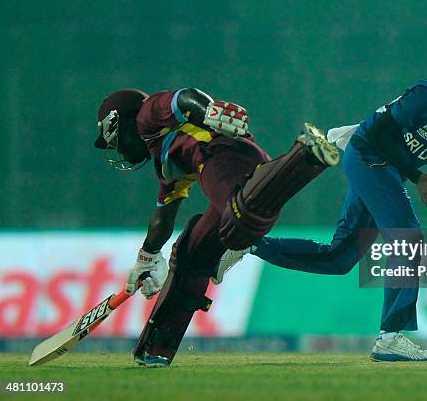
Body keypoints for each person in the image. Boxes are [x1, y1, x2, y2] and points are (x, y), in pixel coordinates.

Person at [218, 50, 427, 362]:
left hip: (391, 171)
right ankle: (390, 337)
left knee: (339, 258)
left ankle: (249, 244)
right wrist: (416, 175)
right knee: (408, 239)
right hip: (368, 154)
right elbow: (378, 133)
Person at [94, 87, 339, 367]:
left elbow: (182, 97)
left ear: (117, 121)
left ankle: (306, 155)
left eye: (113, 141)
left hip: (223, 156)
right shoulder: (164, 157)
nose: (118, 149)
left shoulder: (145, 115)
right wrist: (147, 257)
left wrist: (210, 111)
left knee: (239, 221)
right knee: (190, 253)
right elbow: (164, 215)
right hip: (231, 170)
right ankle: (156, 347)